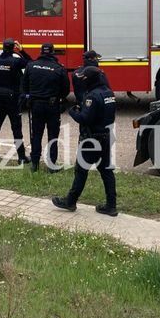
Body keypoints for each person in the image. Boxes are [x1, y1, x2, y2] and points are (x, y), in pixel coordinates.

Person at [52, 66, 118, 216]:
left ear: (90, 80)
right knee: (107, 171)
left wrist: (73, 112)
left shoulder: (92, 96)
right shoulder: (109, 93)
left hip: (91, 140)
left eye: (83, 78)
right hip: (106, 137)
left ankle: (70, 202)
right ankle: (111, 206)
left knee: (81, 171)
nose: (81, 80)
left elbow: (85, 118)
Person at [22, 42, 70, 172]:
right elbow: (65, 89)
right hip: (52, 106)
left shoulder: (31, 66)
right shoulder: (59, 68)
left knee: (36, 135)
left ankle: (35, 164)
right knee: (52, 136)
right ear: (53, 52)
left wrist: (29, 97)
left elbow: (24, 86)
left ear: (41, 52)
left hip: (36, 105)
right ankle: (52, 166)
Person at [0, 38, 31, 164]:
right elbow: (30, 63)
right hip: (12, 98)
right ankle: (21, 157)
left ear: (2, 47)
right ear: (13, 48)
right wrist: (22, 50)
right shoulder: (16, 61)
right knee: (16, 128)